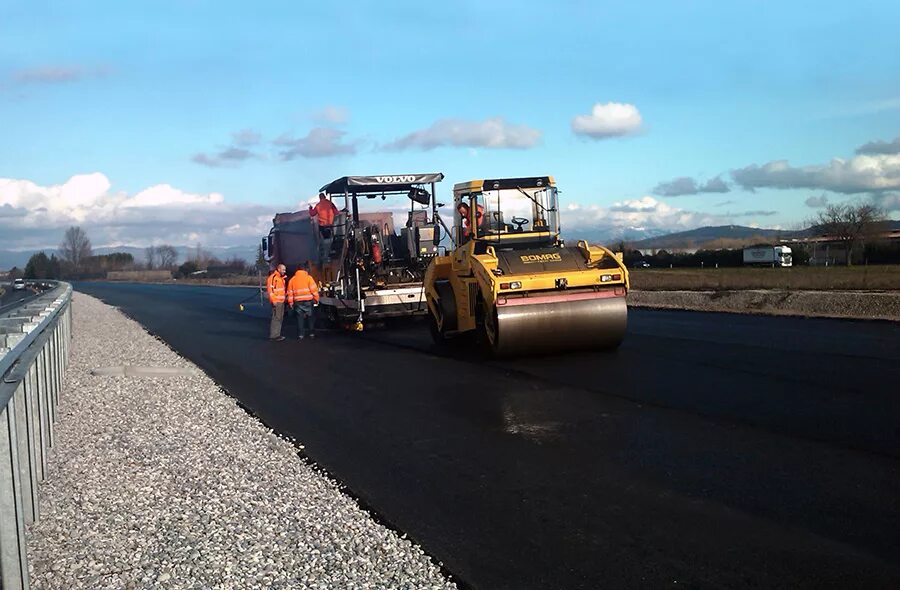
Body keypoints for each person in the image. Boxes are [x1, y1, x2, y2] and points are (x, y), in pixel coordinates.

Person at [287, 264, 320, 340]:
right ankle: (311, 333)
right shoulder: (309, 278)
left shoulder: (292, 280)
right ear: (305, 269)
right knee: (310, 317)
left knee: (300, 319)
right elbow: (314, 290)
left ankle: (301, 335)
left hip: (298, 302)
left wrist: (291, 303)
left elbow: (290, 293)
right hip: (308, 301)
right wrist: (316, 299)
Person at [266, 264, 287, 341]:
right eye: (283, 270)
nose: (284, 271)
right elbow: (270, 291)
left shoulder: (281, 278)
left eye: (285, 270)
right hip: (277, 301)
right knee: (276, 318)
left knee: (280, 318)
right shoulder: (273, 278)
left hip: (281, 301)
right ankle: (274, 335)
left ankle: (277, 334)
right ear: (278, 269)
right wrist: (273, 300)